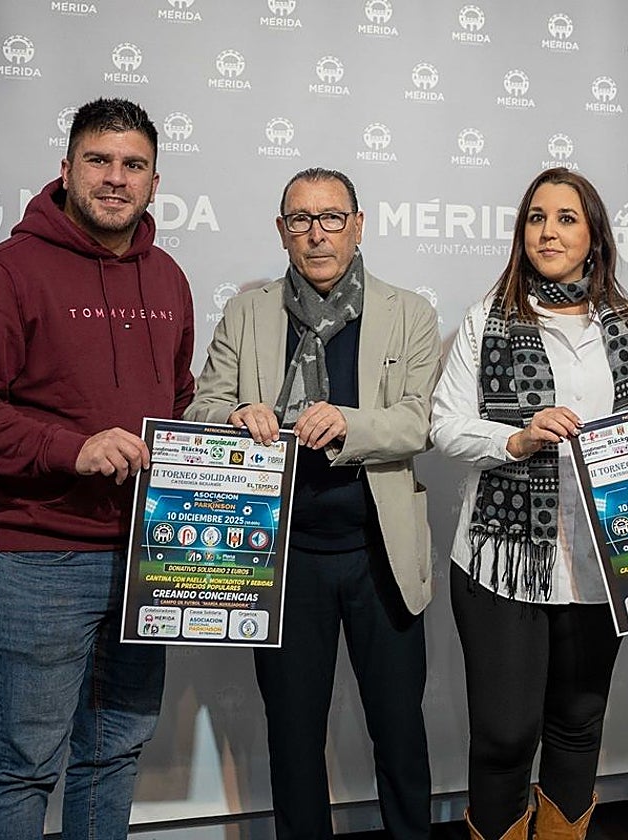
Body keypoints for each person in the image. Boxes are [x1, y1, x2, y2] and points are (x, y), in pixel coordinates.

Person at [0, 98, 195, 839]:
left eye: (133, 165)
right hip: (39, 557)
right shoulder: (1, 274)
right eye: (98, 161)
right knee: (25, 762)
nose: (116, 178)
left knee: (115, 751)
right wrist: (69, 448)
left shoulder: (167, 277)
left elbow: (176, 398)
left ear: (154, 181)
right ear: (66, 169)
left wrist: (218, 444)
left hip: (146, 556)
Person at [184, 167, 438, 840]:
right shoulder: (248, 312)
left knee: (400, 731)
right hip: (282, 556)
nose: (317, 234)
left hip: (380, 553)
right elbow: (203, 407)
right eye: (301, 220)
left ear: (358, 226)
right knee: (293, 737)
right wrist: (235, 415)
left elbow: (420, 422)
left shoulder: (408, 311)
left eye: (331, 218)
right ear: (282, 230)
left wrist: (351, 423)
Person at [431, 167, 628, 840]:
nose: (548, 232)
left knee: (578, 723)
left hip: (600, 558)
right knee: (505, 734)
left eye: (566, 218)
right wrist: (517, 438)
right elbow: (445, 426)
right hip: (500, 559)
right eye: (536, 218)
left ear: (595, 237)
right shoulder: (487, 320)